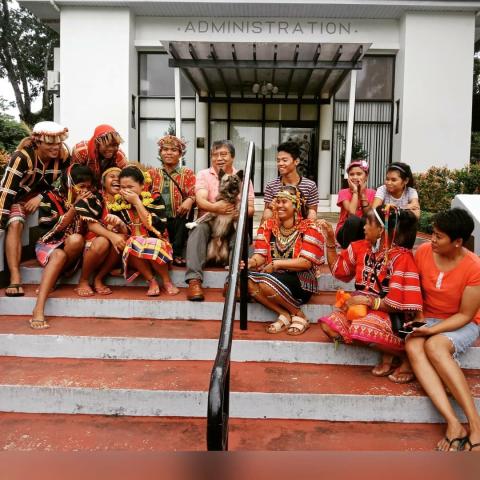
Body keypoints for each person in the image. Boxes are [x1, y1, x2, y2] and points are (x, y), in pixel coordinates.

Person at [318, 205, 423, 383]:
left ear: (381, 229)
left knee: (359, 327)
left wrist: (368, 302)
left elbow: (398, 304)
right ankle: (388, 350)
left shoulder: (401, 257)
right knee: (329, 327)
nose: (364, 227)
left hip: (388, 312)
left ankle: (405, 356)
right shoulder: (360, 247)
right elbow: (339, 271)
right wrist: (329, 240)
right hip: (359, 308)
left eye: (368, 223)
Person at [405, 208, 480, 452]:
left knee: (435, 346)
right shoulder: (424, 252)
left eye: (438, 236)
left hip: (461, 323)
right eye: (433, 234)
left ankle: (476, 426)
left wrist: (431, 331)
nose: (432, 240)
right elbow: (415, 293)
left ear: (458, 242)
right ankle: (453, 423)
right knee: (413, 344)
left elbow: (466, 315)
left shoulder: (474, 267)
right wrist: (420, 321)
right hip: (428, 317)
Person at [0, 121, 70, 297]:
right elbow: (6, 191)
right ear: (38, 142)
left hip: (38, 198)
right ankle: (15, 277)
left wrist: (41, 197)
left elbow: (65, 186)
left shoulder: (63, 155)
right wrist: (1, 223)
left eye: (58, 142)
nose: (56, 147)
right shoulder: (21, 157)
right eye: (50, 143)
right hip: (13, 198)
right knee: (15, 223)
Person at [247, 186, 325, 335]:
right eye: (278, 202)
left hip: (301, 279)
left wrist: (277, 264)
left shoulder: (310, 227)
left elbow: (306, 262)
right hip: (274, 277)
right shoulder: (268, 226)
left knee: (264, 282)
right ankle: (286, 314)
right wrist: (251, 262)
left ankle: (299, 315)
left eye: (284, 202)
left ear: (296, 206)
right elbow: (260, 256)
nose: (279, 205)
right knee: (243, 281)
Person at [185, 140, 255, 301]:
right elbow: (201, 200)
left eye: (223, 154)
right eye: (215, 155)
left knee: (243, 235)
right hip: (209, 224)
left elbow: (251, 208)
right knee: (198, 229)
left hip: (230, 224)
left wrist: (238, 213)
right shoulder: (204, 174)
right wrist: (216, 208)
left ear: (233, 157)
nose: (219, 158)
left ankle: (233, 282)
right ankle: (194, 280)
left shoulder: (242, 177)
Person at [30, 164, 95, 329]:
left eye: (88, 186)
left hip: (74, 248)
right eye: (81, 186)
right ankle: (38, 309)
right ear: (69, 184)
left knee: (76, 240)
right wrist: (75, 207)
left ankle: (53, 278)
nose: (85, 190)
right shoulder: (51, 198)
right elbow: (49, 230)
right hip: (50, 244)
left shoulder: (93, 199)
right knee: (58, 255)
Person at [107, 166, 178, 296]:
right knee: (132, 242)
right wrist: (117, 224)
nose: (125, 191)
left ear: (142, 186)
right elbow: (124, 232)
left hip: (157, 243)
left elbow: (157, 228)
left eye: (130, 187)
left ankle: (167, 281)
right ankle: (151, 281)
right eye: (122, 187)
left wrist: (137, 203)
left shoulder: (154, 198)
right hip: (133, 250)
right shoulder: (117, 204)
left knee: (151, 244)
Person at [74, 167, 127, 296]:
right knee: (103, 241)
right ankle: (83, 280)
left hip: (116, 248)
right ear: (103, 183)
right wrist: (112, 236)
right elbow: (92, 226)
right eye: (112, 176)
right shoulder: (95, 197)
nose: (116, 179)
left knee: (122, 237)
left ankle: (99, 278)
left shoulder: (127, 200)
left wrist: (119, 228)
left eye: (119, 177)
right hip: (94, 244)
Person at [149, 135, 195, 266]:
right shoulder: (152, 173)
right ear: (160, 152)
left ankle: (177, 253)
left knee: (184, 217)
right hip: (159, 218)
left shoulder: (187, 173)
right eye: (165, 149)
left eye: (174, 150)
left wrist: (190, 200)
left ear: (180, 154)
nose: (169, 152)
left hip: (179, 217)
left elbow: (194, 191)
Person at [262, 141, 319, 222]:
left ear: (296, 161)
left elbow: (312, 214)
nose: (280, 163)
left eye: (284, 160)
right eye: (278, 161)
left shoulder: (310, 185)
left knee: (312, 213)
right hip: (278, 227)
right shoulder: (271, 186)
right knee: (267, 212)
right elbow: (266, 216)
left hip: (302, 227)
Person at [335, 159, 376, 249]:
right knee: (353, 220)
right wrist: (355, 192)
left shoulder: (373, 193)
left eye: (359, 174)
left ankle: (365, 250)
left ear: (366, 176)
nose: (355, 177)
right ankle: (346, 252)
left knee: (366, 219)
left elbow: (369, 215)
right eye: (351, 174)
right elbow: (352, 213)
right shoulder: (344, 192)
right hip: (345, 233)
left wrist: (362, 194)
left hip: (363, 232)